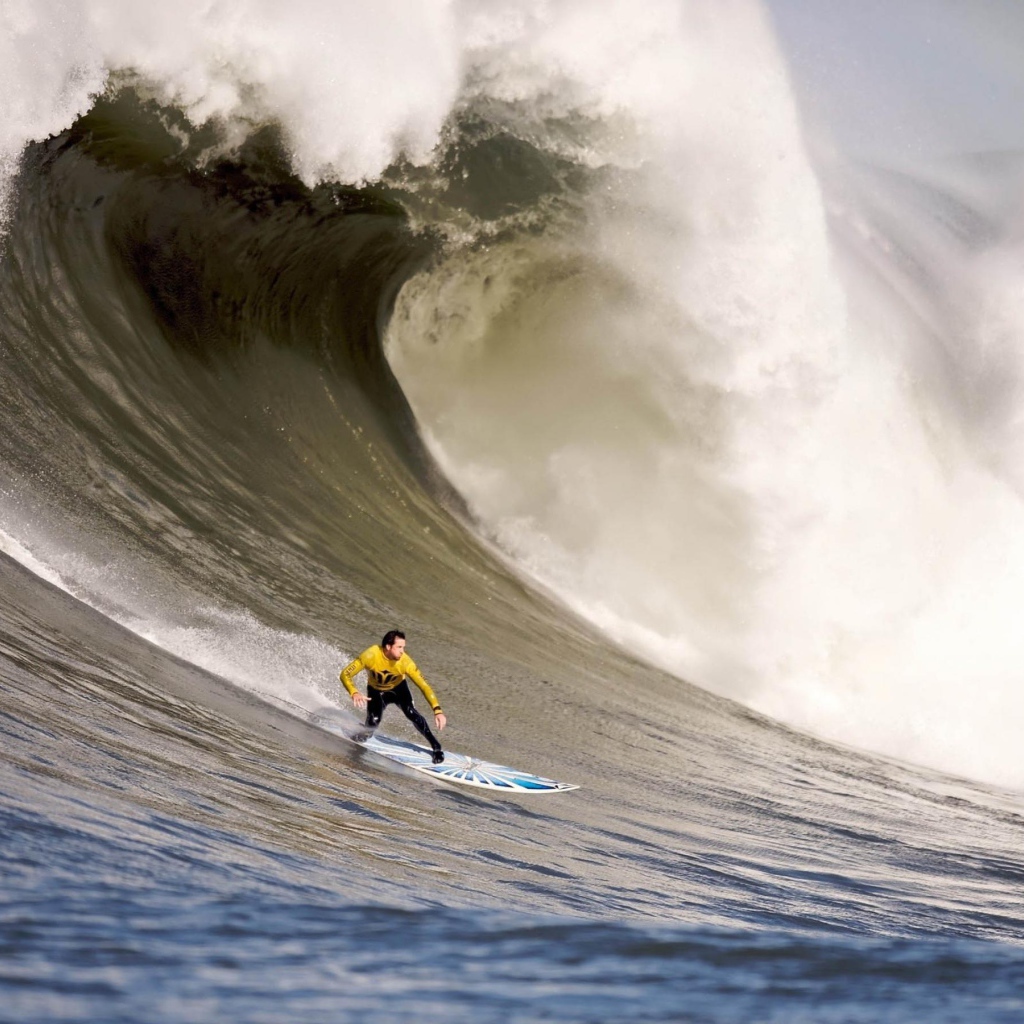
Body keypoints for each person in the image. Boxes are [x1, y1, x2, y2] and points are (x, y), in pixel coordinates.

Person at [340, 629, 447, 763]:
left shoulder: (406, 662)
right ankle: (366, 732)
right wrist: (354, 692)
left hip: (399, 690)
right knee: (373, 722)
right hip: (376, 691)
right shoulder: (371, 655)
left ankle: (436, 746)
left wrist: (437, 710)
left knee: (411, 713)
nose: (402, 651)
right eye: (399, 647)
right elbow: (345, 674)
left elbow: (424, 685)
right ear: (388, 647)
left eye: (403, 647)